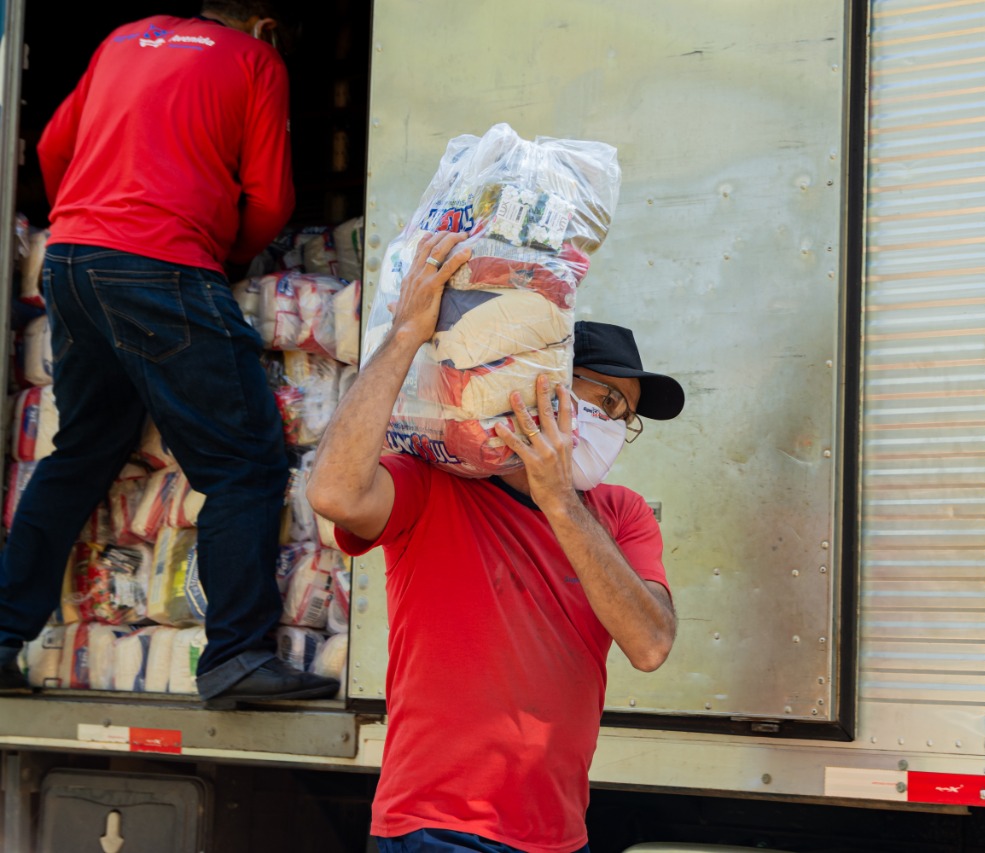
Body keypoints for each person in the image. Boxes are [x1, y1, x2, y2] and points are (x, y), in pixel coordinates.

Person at [0, 1, 339, 705]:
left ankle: (3, 636)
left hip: (72, 260)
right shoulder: (255, 60)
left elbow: (52, 149)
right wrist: (228, 259)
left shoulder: (122, 37)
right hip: (164, 264)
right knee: (243, 462)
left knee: (83, 450)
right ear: (267, 24)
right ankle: (236, 655)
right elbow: (270, 199)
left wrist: (92, 220)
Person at [306, 230, 686, 853]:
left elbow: (650, 644)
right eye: (607, 398)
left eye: (626, 416)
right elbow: (333, 493)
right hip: (440, 828)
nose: (614, 424)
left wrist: (559, 500)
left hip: (559, 835)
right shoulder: (436, 486)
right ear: (546, 378)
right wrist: (406, 334)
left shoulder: (622, 514)